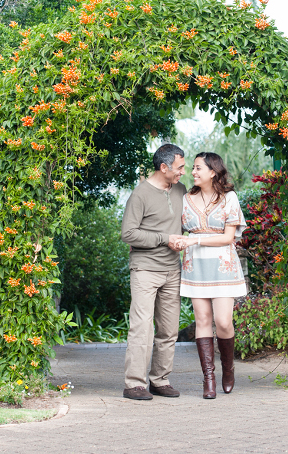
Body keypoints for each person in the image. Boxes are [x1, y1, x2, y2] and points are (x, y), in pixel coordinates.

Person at [172, 152, 247, 399]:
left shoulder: (229, 198)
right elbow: (178, 231)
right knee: (202, 320)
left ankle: (228, 369)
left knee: (224, 322)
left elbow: (228, 238)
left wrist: (194, 239)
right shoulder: (185, 199)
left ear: (213, 172)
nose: (193, 172)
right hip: (195, 268)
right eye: (192, 168)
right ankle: (209, 379)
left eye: (197, 168)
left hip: (223, 266)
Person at [120, 143, 187, 400]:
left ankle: (160, 380)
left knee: (169, 330)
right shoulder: (141, 194)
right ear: (163, 167)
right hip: (145, 269)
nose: (183, 171)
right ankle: (134, 383)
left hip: (173, 269)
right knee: (142, 327)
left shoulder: (180, 190)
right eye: (180, 167)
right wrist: (165, 238)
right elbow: (128, 233)